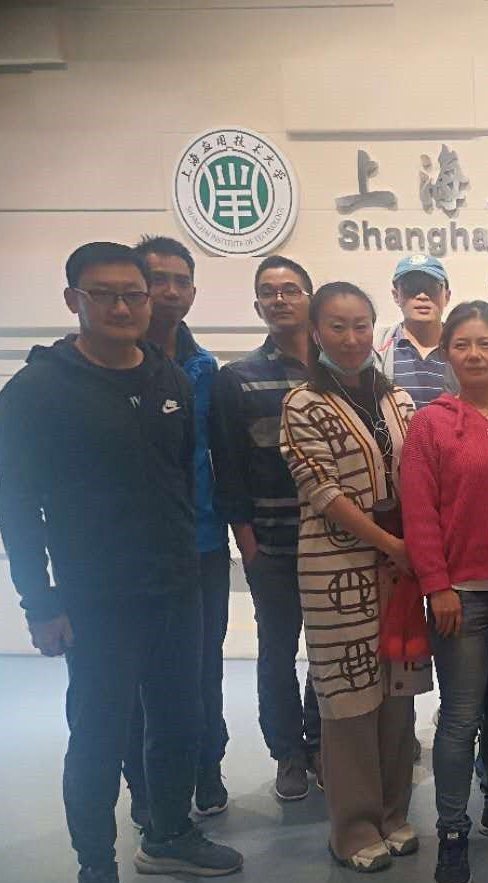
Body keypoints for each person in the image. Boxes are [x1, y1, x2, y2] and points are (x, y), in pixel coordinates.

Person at [0, 242, 244, 883]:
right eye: (104, 294)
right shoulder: (37, 391)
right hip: (95, 599)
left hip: (177, 588)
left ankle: (168, 834)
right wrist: (40, 602)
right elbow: (17, 508)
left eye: (134, 293)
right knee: (100, 735)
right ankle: (96, 870)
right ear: (73, 300)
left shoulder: (168, 377)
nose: (124, 306)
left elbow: (179, 477)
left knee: (180, 720)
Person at [281, 282, 432, 872]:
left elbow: (418, 473)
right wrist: (392, 544)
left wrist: (412, 545)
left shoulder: (398, 399)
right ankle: (352, 828)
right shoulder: (302, 403)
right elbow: (322, 491)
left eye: (361, 325)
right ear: (316, 332)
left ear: (375, 327)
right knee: (347, 698)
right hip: (336, 567)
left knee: (397, 691)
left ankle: (393, 812)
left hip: (400, 567)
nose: (350, 338)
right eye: (337, 326)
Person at [402, 301, 488, 883]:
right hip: (462, 597)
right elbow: (419, 514)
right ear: (448, 354)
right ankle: (453, 829)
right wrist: (437, 586)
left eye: (486, 343)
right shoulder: (431, 425)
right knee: (461, 718)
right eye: (462, 344)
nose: (475, 354)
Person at [120, 235, 229, 828]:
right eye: (156, 280)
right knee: (138, 673)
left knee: (204, 665)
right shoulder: (107, 367)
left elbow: (218, 454)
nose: (169, 291)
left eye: (180, 281)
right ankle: (145, 787)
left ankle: (205, 766)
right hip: (132, 552)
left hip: (202, 542)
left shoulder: (203, 368)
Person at [210, 255, 323, 800]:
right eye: (269, 292)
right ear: (258, 306)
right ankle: (287, 753)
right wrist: (248, 544)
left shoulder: (340, 370)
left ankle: (320, 742)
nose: (281, 299)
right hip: (273, 546)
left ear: (309, 299)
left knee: (328, 651)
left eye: (291, 289)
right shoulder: (237, 378)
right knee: (278, 652)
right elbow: (229, 468)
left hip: (335, 545)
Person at [377, 253, 452, 409]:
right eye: (411, 287)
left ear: (447, 296)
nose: (422, 296)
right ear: (396, 295)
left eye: (432, 287)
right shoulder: (376, 347)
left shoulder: (461, 347)